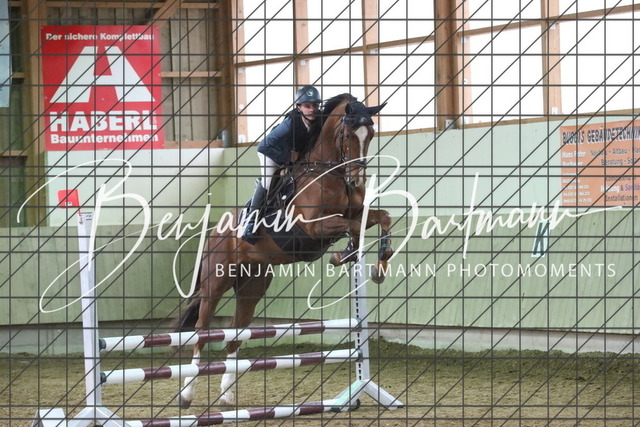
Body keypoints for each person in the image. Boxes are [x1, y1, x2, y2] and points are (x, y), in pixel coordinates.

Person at [242, 85, 322, 244]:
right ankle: (251, 222)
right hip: (272, 152)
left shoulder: (319, 120)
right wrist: (288, 158)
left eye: (315, 105)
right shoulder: (290, 124)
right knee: (267, 182)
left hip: (294, 156)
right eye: (307, 106)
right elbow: (263, 146)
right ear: (299, 107)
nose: (312, 109)